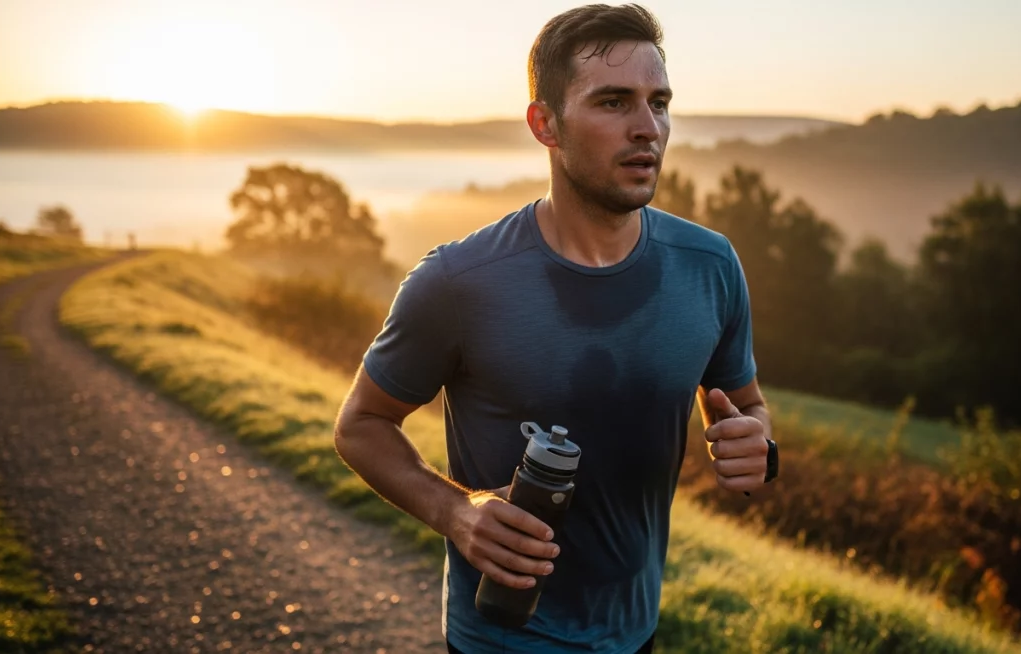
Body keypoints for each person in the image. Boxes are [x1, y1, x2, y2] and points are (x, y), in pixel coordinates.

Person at [333, 4, 777, 653]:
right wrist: (458, 512)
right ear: (546, 124)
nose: (647, 128)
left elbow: (749, 409)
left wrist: (754, 447)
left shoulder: (709, 266)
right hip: (501, 638)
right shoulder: (459, 281)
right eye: (614, 102)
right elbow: (360, 426)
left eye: (659, 102)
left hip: (635, 633)